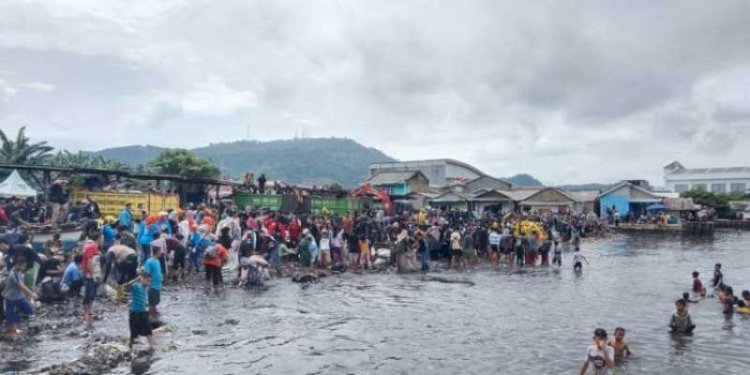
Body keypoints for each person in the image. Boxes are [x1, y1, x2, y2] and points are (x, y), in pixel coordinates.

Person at [3, 257, 39, 339]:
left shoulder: (19, 272)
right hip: (11, 298)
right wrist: (31, 294)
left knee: (29, 310)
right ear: (17, 265)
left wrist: (28, 295)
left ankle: (17, 328)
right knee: (11, 316)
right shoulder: (14, 273)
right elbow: (20, 285)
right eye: (23, 266)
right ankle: (11, 332)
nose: (25, 267)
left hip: (19, 297)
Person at [129, 271, 155, 349]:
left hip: (143, 312)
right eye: (147, 281)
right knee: (134, 332)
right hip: (134, 313)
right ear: (142, 279)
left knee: (148, 329)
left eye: (150, 281)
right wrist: (137, 279)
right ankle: (130, 345)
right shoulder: (136, 286)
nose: (149, 283)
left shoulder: (145, 289)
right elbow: (128, 285)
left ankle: (152, 347)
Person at [82, 233, 102, 327]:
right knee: (88, 293)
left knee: (93, 293)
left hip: (94, 274)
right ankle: (86, 312)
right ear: (99, 238)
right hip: (90, 274)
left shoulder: (96, 248)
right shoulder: (92, 247)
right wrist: (93, 274)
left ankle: (89, 311)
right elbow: (89, 261)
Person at [143, 246, 163, 318]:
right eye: (160, 251)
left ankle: (154, 311)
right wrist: (147, 282)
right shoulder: (149, 261)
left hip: (157, 283)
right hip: (152, 284)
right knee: (152, 300)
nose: (161, 253)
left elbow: (158, 271)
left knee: (157, 300)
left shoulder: (157, 261)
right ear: (157, 252)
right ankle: (151, 313)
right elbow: (146, 273)